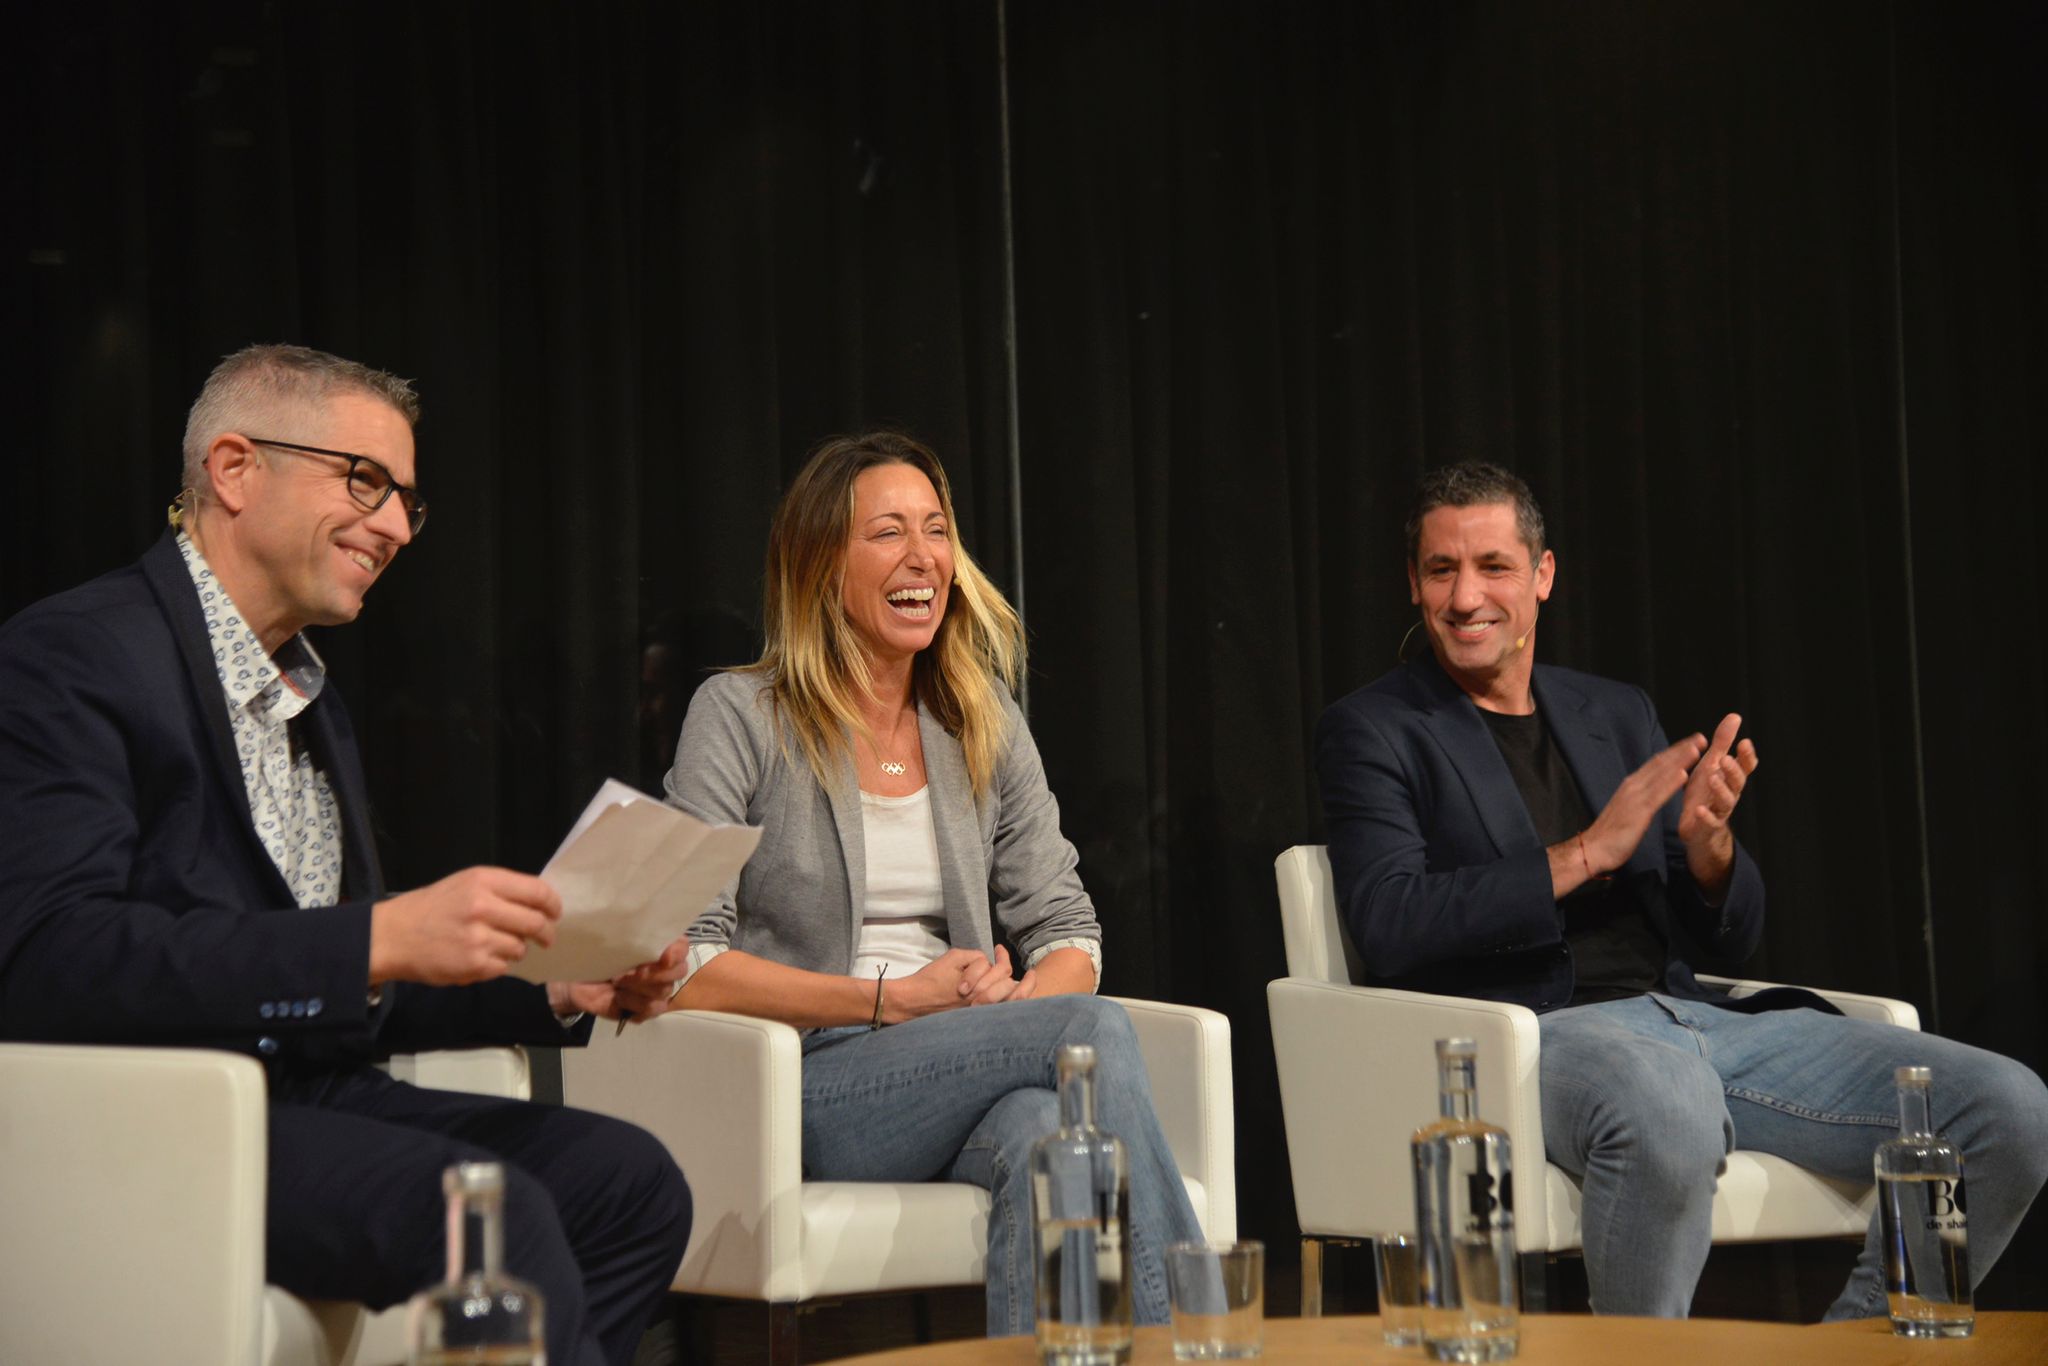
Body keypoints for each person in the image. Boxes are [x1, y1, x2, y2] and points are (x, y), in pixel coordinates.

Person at [0, 344, 693, 1366]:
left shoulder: (310, 696)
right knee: (498, 1216)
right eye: (365, 481)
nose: (397, 525)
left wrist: (554, 985)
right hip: (166, 1116)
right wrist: (373, 937)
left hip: (317, 1095)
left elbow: (355, 979)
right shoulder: (76, 655)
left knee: (629, 1183)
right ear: (234, 468)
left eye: (409, 499)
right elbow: (49, 960)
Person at [1315, 460, 2048, 1319]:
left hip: (1693, 1017)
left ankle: (1856, 1352)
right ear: (1413, 583)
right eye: (1442, 570)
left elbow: (1730, 937)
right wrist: (1587, 852)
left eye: (1494, 567)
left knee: (2007, 1110)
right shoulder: (1375, 728)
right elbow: (1390, 920)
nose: (1466, 597)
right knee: (1670, 1111)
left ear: (1543, 576)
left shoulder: (1613, 712)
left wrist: (1710, 850)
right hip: (1539, 1035)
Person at [663, 431, 1205, 1335]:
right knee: (1087, 1029)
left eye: (937, 529)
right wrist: (893, 1001)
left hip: (960, 1058)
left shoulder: (979, 720)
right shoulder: (741, 716)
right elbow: (684, 960)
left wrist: (1015, 1008)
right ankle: (1200, 1346)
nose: (923, 558)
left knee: (1046, 1129)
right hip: (800, 1083)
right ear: (820, 564)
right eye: (886, 533)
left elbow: (1069, 926)